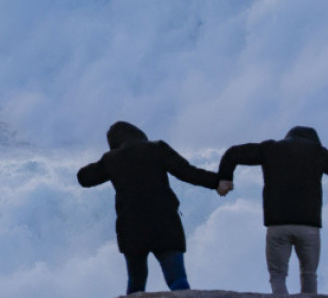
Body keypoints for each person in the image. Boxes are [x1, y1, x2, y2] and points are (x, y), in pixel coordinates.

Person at [78, 121, 231, 294]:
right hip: (165, 225)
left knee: (136, 284)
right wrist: (217, 181)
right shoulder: (157, 148)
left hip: (132, 229)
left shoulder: (111, 159)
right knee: (178, 280)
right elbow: (188, 172)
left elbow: (84, 178)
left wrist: (110, 158)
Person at [217, 126, 328, 295]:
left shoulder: (271, 149)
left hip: (277, 225)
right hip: (308, 227)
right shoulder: (317, 152)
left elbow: (233, 153)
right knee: (309, 274)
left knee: (277, 275)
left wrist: (225, 178)